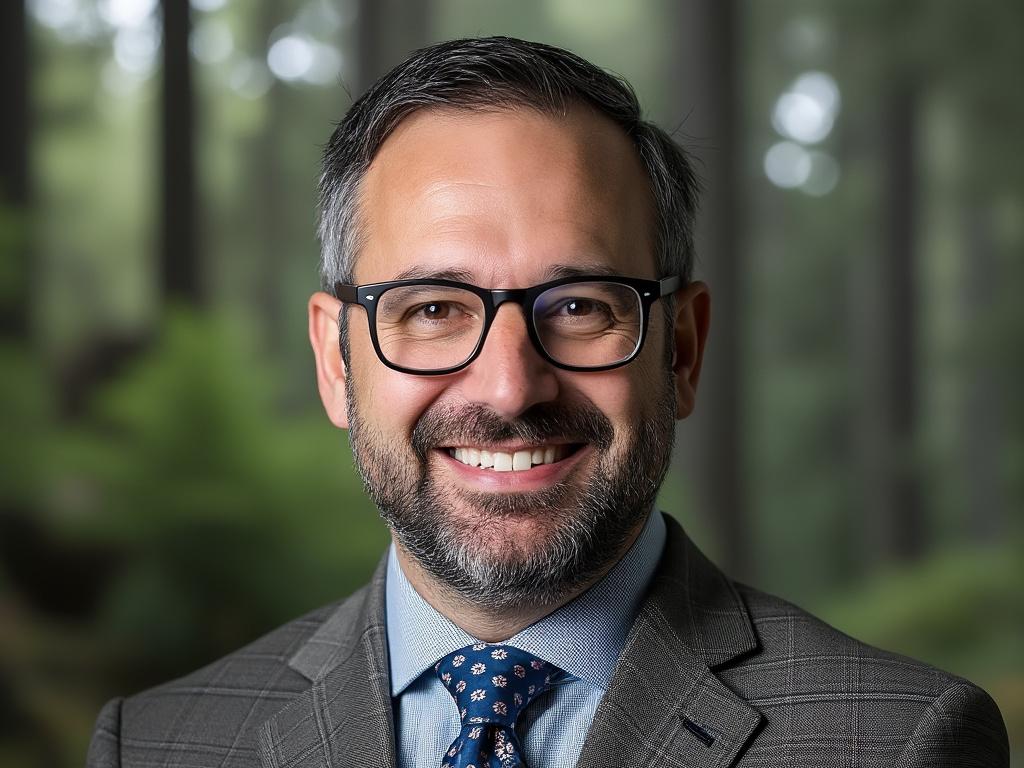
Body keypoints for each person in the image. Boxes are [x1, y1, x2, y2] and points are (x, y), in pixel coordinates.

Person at [87, 36, 1009, 768]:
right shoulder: (158, 746)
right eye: (435, 309)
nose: (509, 387)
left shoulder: (897, 745)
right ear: (336, 359)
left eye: (578, 308)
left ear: (681, 350)